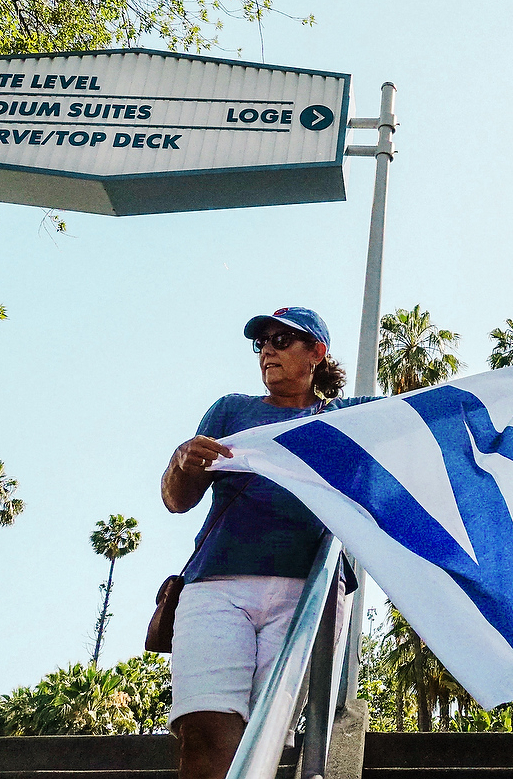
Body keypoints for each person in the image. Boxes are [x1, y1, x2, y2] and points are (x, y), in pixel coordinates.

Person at [162, 306, 376, 779]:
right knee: (206, 730)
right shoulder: (231, 409)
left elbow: (423, 420)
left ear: (317, 353)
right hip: (217, 584)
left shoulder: (348, 417)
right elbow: (177, 501)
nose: (269, 351)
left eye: (283, 340)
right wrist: (182, 464)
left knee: (264, 736)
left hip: (309, 592)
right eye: (263, 342)